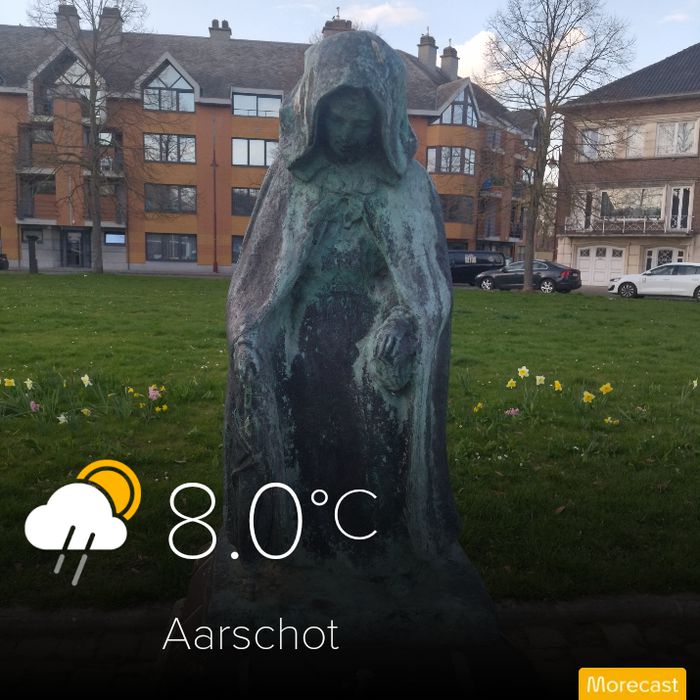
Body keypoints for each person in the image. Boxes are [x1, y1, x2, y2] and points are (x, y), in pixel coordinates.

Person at [225, 30, 459, 567]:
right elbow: (260, 281)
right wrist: (250, 337)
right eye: (338, 120)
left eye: (362, 122)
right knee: (307, 444)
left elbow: (422, 285)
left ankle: (374, 544)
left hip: (374, 342)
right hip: (300, 340)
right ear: (315, 112)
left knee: (373, 446)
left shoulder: (408, 186)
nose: (349, 135)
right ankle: (304, 544)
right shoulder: (290, 180)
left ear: (384, 120)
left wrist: (403, 320)